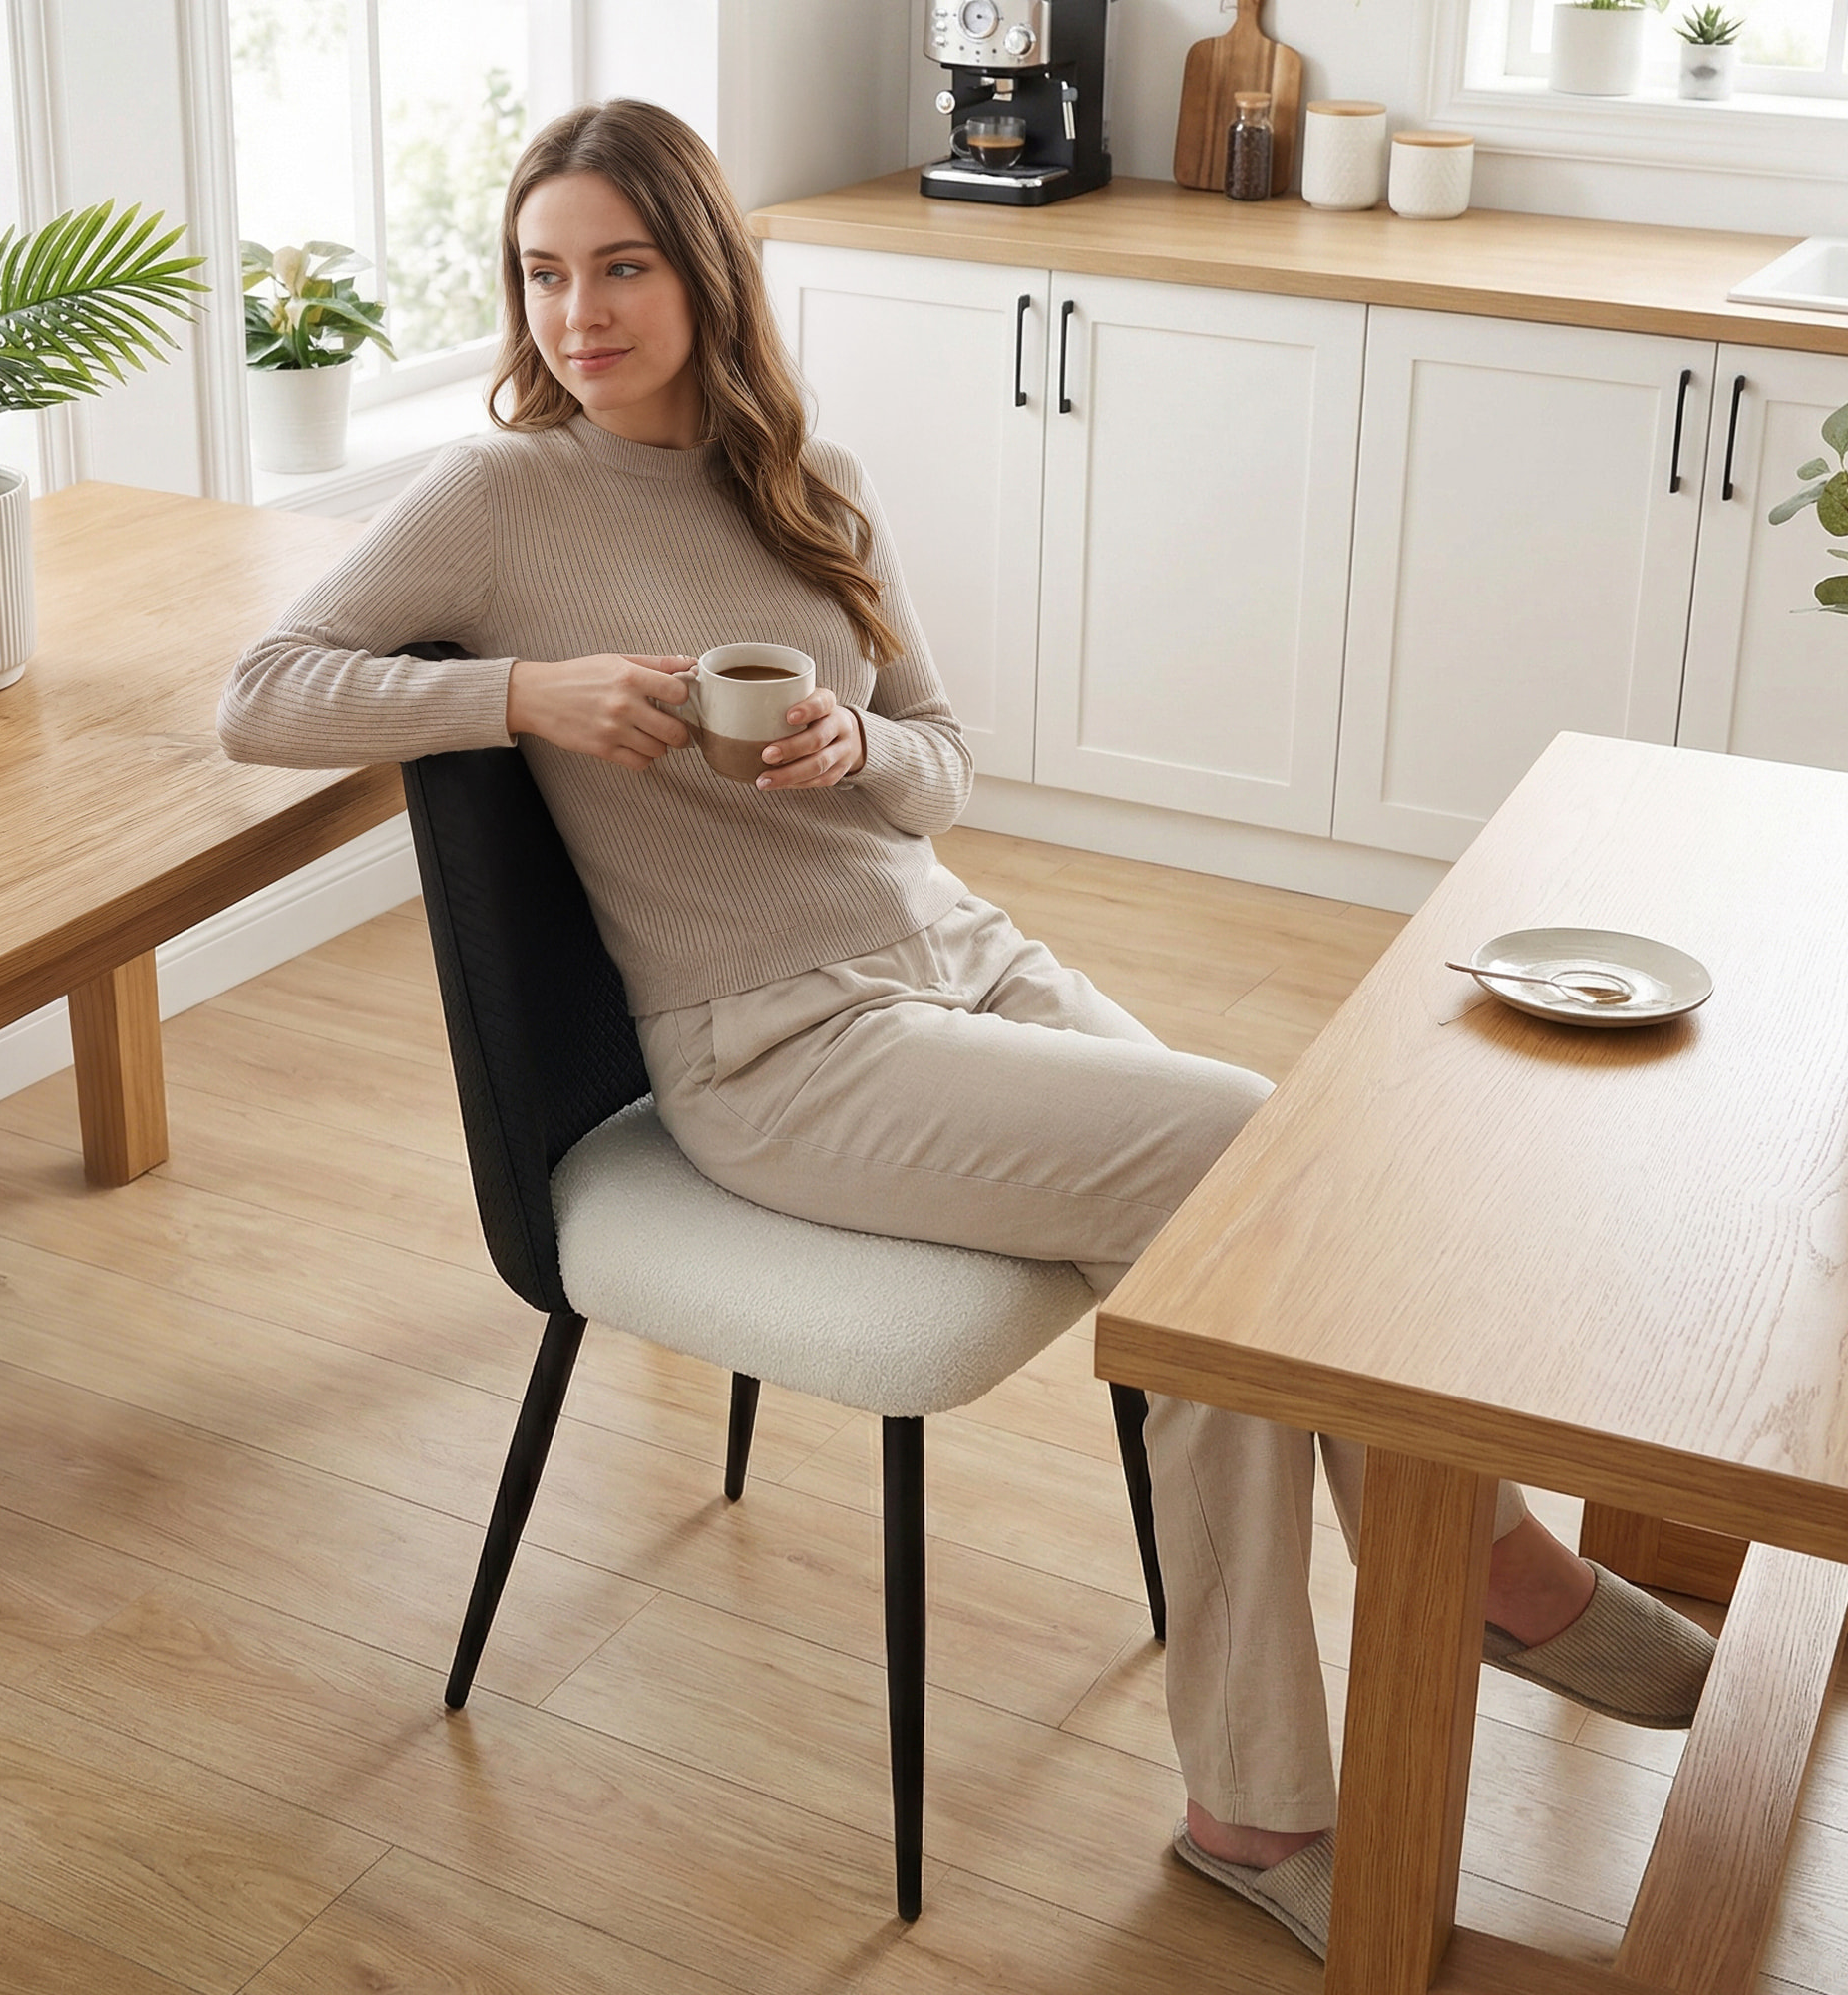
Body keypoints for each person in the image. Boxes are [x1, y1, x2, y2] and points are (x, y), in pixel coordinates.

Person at [217, 99, 1714, 1959]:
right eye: (540, 276)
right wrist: (520, 692)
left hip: (953, 952)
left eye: (619, 267)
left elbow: (944, 767)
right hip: (775, 1048)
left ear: (702, 271)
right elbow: (261, 698)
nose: (576, 316)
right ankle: (1490, 1571)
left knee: (1236, 1248)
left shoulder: (807, 479)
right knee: (1251, 1155)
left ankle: (1268, 1790)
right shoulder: (502, 495)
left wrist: (860, 750)